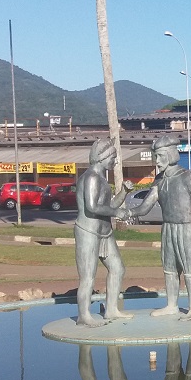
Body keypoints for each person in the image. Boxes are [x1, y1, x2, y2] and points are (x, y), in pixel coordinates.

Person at [131, 135, 191, 321]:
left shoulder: (189, 177)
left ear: (170, 154)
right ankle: (171, 305)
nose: (157, 161)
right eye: (156, 156)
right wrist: (125, 212)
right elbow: (144, 207)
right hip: (168, 228)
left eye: (160, 156)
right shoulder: (159, 180)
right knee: (170, 269)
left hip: (189, 228)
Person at [74, 139, 133, 326]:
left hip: (104, 233)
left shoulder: (101, 179)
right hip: (88, 232)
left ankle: (111, 309)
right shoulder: (91, 178)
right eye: (113, 157)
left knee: (117, 268)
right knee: (88, 277)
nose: (115, 161)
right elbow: (92, 207)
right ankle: (84, 316)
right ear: (102, 157)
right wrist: (117, 213)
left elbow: (109, 205)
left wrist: (124, 192)